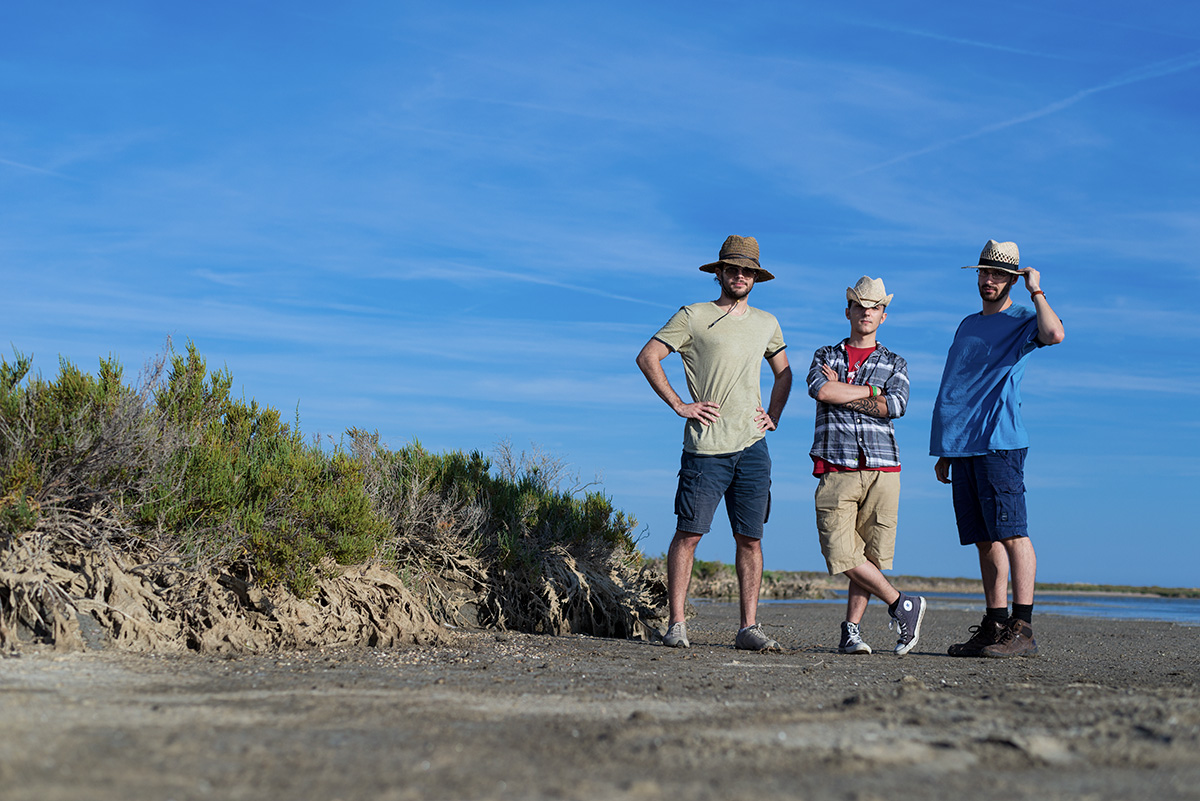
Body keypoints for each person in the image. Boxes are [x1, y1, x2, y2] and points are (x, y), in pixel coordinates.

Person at [636, 235, 792, 651]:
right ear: (719, 272)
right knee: (688, 534)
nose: (740, 276)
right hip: (705, 448)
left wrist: (773, 415)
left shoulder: (767, 322)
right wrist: (680, 405)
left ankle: (749, 628)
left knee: (751, 538)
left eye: (748, 271)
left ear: (755, 278)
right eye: (733, 269)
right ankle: (677, 626)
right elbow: (648, 356)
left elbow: (784, 373)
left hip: (753, 447)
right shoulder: (693, 316)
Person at [931, 239, 1065, 658]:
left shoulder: (1023, 319)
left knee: (1012, 533)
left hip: (1000, 443)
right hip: (963, 446)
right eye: (984, 273)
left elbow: (1055, 334)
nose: (989, 280)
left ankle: (1022, 629)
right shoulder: (967, 323)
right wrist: (946, 447)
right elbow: (958, 386)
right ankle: (994, 623)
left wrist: (1036, 290)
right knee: (984, 539)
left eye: (999, 275)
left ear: (1012, 278)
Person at [806, 276, 926, 656]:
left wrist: (857, 392)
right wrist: (873, 392)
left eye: (874, 307)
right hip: (836, 465)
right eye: (860, 306)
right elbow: (822, 390)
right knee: (841, 551)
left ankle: (852, 632)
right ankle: (902, 603)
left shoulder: (895, 362)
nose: (866, 312)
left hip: (882, 467)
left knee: (869, 556)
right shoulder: (826, 355)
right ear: (848, 311)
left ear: (883, 316)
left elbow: (896, 406)